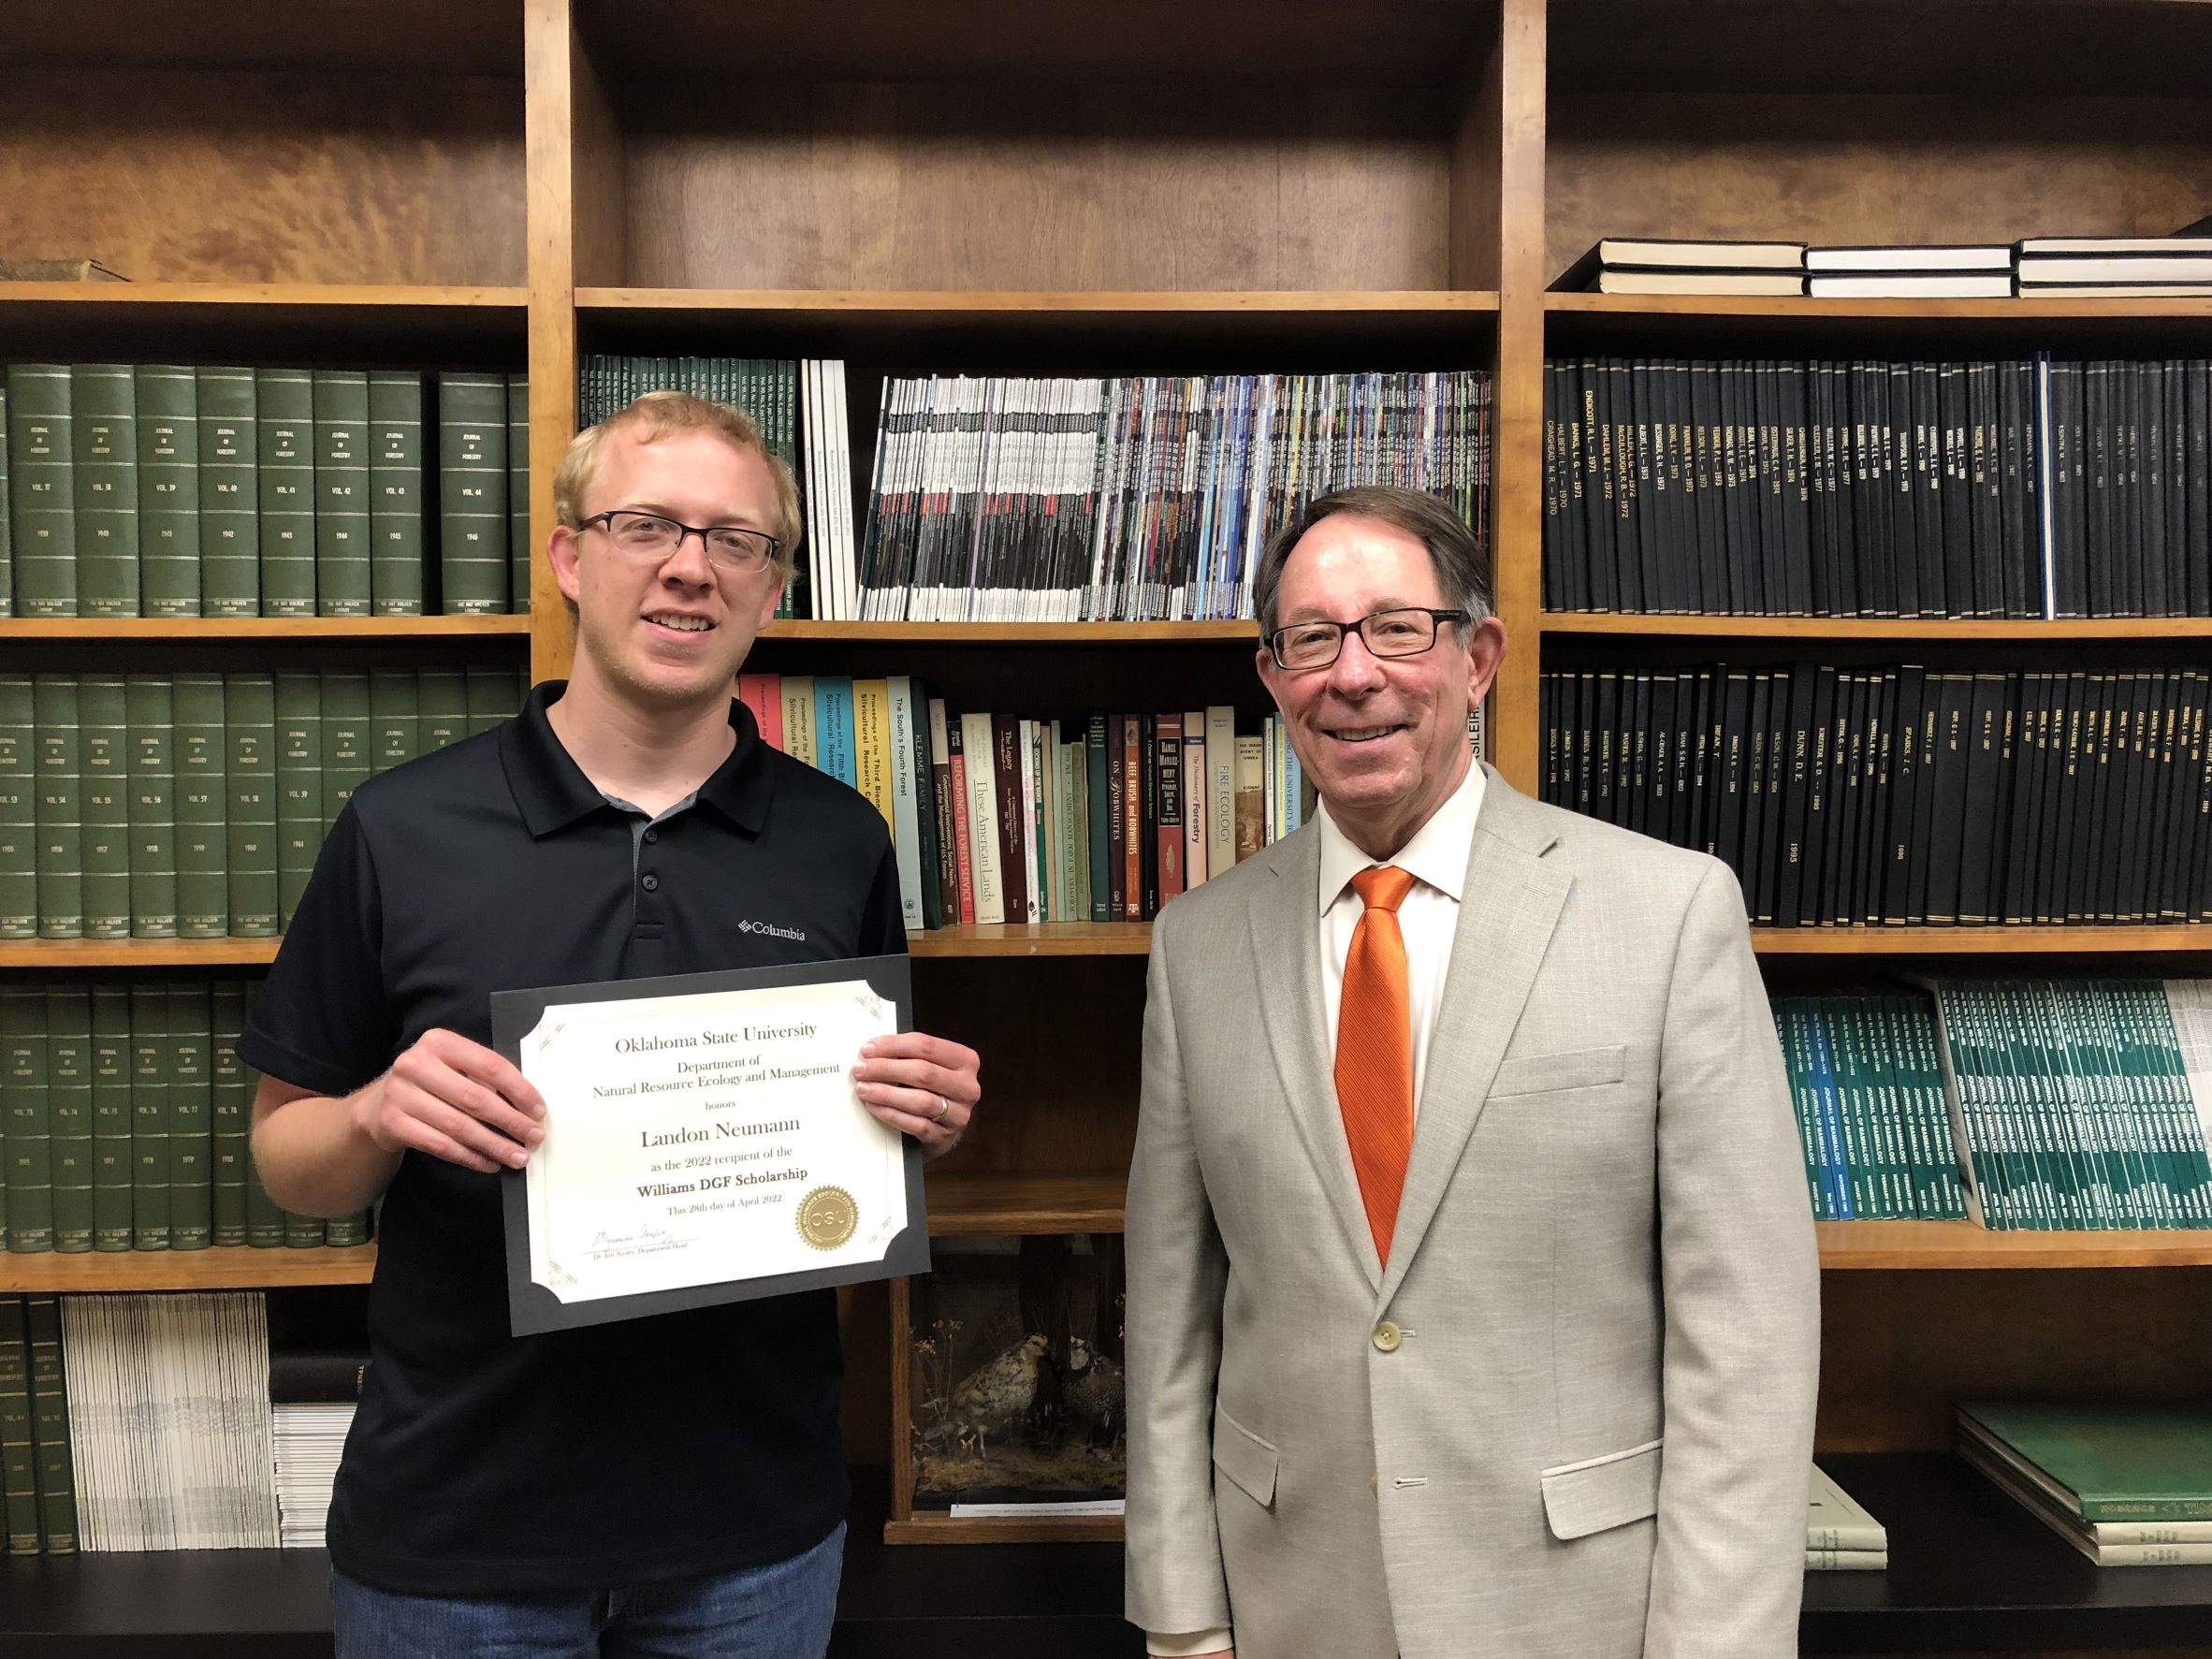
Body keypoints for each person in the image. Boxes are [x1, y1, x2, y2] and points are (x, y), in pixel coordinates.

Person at [242, 391, 979, 1659]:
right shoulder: (401, 829)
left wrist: (918, 1124)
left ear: (770, 586)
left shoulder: (837, 837)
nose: (690, 565)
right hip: (455, 1541)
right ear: (571, 557)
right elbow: (286, 1162)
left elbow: (849, 1154)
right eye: (647, 524)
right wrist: (371, 1113)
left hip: (753, 1537)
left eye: (734, 539)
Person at [1123, 485, 1817, 1659]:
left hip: (1580, 1610)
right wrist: (1183, 1613)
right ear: (1274, 678)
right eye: (1312, 639)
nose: (1354, 675)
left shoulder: (1667, 912)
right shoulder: (1197, 944)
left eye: (1398, 628)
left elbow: (1745, 1335)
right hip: (1293, 1601)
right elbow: (1170, 1314)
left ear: (1478, 657)